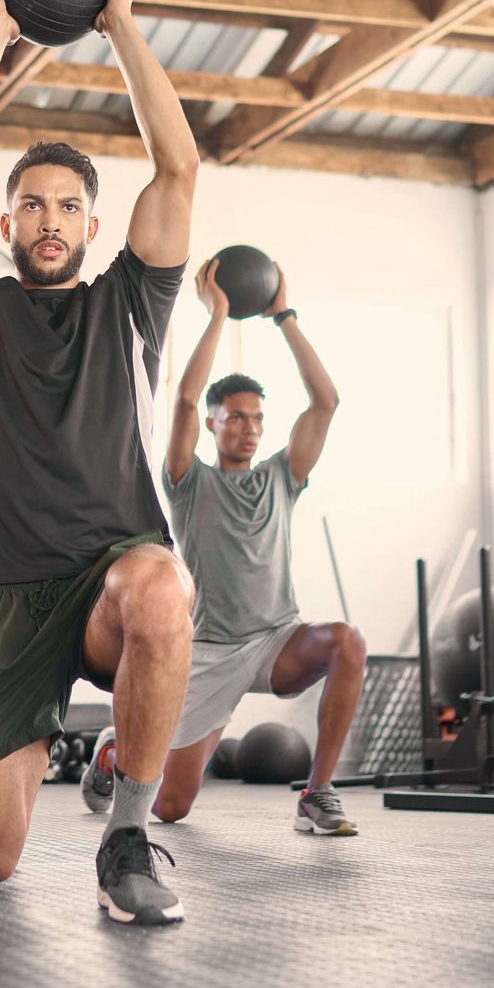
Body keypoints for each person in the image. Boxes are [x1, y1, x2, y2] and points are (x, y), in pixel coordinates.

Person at [0, 0, 199, 926]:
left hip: (106, 579)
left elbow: (178, 166)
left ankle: (127, 828)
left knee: (162, 584)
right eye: (32, 202)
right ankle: (41, 741)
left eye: (69, 205)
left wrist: (121, 26)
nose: (50, 218)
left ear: (91, 222)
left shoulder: (131, 302)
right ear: (7, 221)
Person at [80, 259, 363, 833]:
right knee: (170, 809)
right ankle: (114, 751)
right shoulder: (190, 482)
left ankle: (319, 792)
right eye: (235, 418)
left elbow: (326, 402)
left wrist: (283, 316)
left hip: (276, 638)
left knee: (348, 644)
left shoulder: (282, 477)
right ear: (213, 424)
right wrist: (218, 316)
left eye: (257, 419)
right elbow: (183, 400)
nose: (249, 428)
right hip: (206, 652)